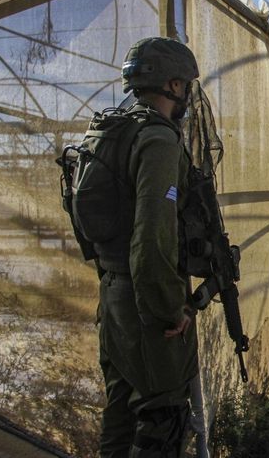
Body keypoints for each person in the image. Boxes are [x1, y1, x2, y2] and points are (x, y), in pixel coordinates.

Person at [89, 37, 200, 457]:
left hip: (114, 294)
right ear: (173, 86)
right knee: (162, 420)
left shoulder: (109, 131)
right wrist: (170, 308)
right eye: (185, 85)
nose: (188, 94)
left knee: (118, 416)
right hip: (145, 304)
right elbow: (152, 237)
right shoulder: (158, 139)